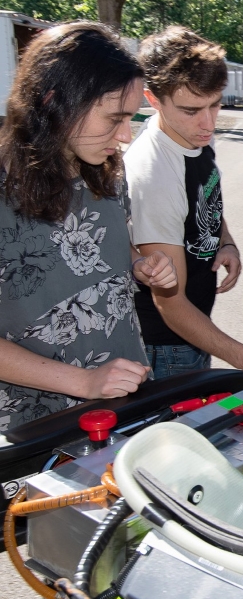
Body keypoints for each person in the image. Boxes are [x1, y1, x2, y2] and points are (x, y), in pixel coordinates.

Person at [0, 22, 177, 432]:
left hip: (125, 400)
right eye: (114, 117)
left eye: (131, 118)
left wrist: (138, 265)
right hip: (41, 429)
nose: (125, 135)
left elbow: (100, 253)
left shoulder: (106, 171)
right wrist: (84, 382)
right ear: (53, 100)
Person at [125, 26, 243, 385]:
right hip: (166, 345)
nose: (208, 123)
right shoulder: (153, 173)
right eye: (192, 109)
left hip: (193, 331)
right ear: (153, 98)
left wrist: (226, 241)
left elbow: (204, 198)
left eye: (215, 103)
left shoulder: (193, 138)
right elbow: (169, 304)